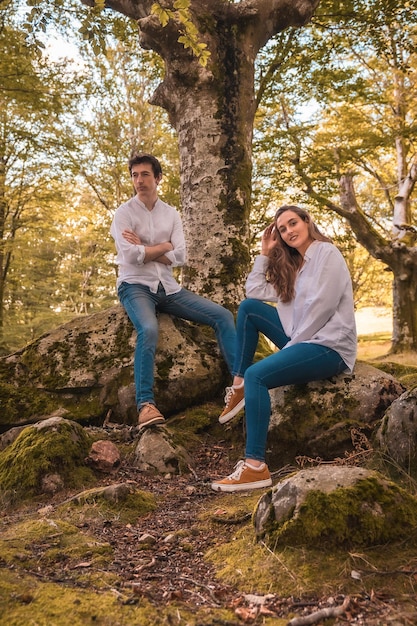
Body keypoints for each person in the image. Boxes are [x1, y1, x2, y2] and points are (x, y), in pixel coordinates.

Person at [211, 205, 357, 492]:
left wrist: (288, 351)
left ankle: (255, 467)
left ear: (306, 221)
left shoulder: (327, 253)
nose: (289, 231)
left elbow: (321, 309)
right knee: (249, 309)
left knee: (259, 375)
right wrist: (264, 255)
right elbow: (254, 292)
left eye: (293, 223)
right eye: (282, 229)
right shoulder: (294, 267)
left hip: (329, 345)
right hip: (302, 340)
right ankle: (238, 384)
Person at [111, 153, 236, 429]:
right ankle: (145, 405)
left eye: (145, 174)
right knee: (149, 329)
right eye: (134, 175)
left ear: (157, 178)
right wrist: (163, 247)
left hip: (169, 289)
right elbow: (130, 257)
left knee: (223, 315)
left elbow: (180, 256)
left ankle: (240, 384)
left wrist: (145, 247)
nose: (139, 180)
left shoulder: (171, 214)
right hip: (135, 287)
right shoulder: (124, 214)